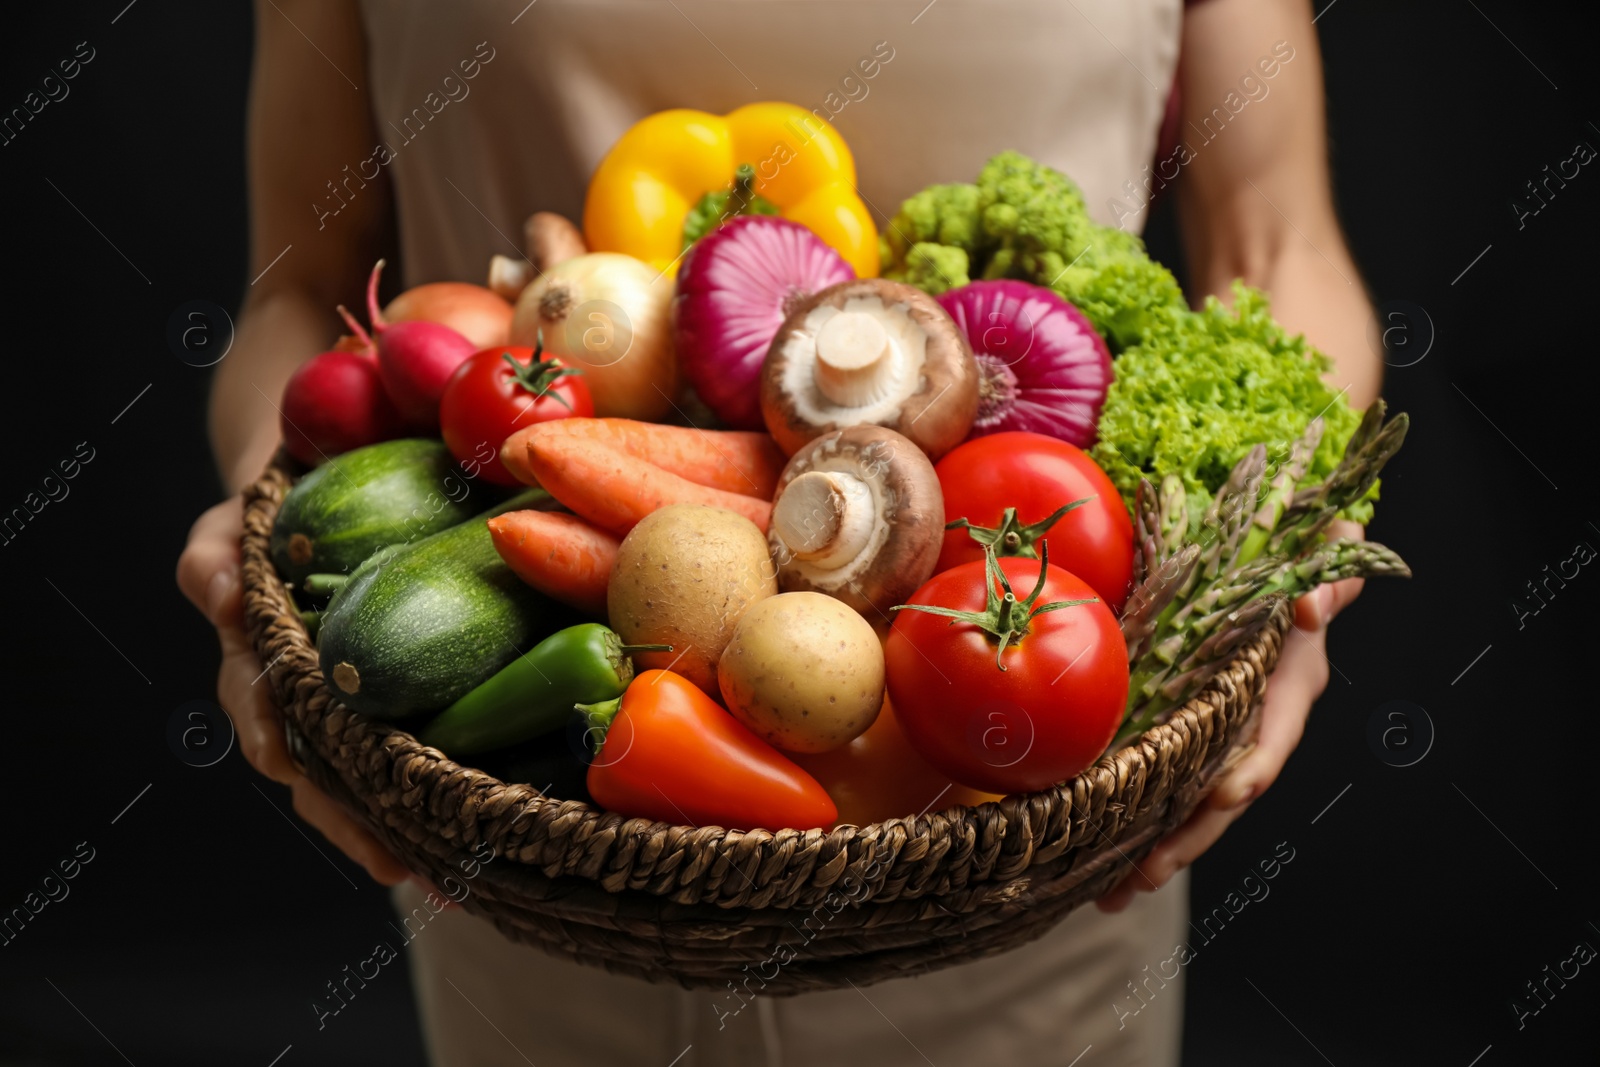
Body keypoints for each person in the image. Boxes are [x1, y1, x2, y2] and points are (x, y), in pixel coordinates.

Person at [177, 1, 1378, 1063]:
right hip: (542, 831)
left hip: (1028, 838)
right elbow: (298, 283)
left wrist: (1287, 548)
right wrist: (254, 528)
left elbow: (1281, 248)